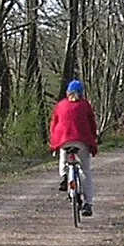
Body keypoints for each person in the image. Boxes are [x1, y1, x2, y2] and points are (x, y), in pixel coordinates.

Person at [49, 79, 99, 216]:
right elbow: (92, 124)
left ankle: (64, 176)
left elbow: (54, 125)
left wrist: (53, 142)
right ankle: (88, 203)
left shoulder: (60, 105)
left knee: (63, 157)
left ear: (67, 92)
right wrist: (94, 138)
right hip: (82, 141)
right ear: (81, 93)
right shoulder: (85, 105)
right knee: (85, 171)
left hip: (64, 140)